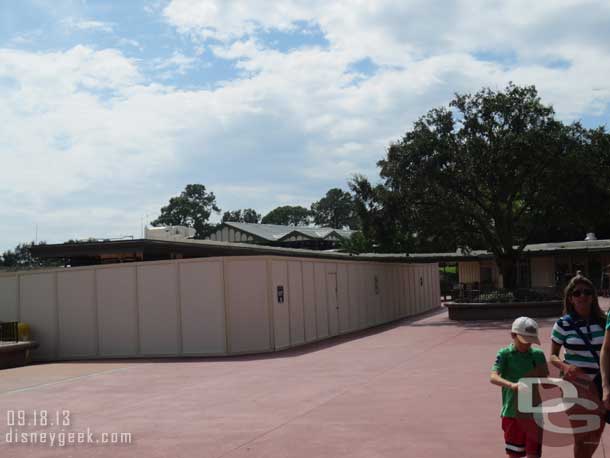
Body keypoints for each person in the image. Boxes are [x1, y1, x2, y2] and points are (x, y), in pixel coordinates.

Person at [551, 272, 607, 458]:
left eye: (587, 292)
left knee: (596, 432)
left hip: (600, 384)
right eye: (577, 293)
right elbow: (552, 356)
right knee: (581, 434)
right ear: (570, 298)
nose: (582, 296)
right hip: (575, 386)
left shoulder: (604, 321)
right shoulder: (563, 324)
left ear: (593, 296)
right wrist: (565, 367)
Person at [491, 316, 549, 457]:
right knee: (515, 453)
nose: (528, 344)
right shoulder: (505, 354)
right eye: (525, 340)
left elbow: (545, 382)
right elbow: (493, 377)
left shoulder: (538, 355)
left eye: (531, 341)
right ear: (513, 335)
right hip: (512, 412)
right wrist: (512, 385)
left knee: (533, 454)